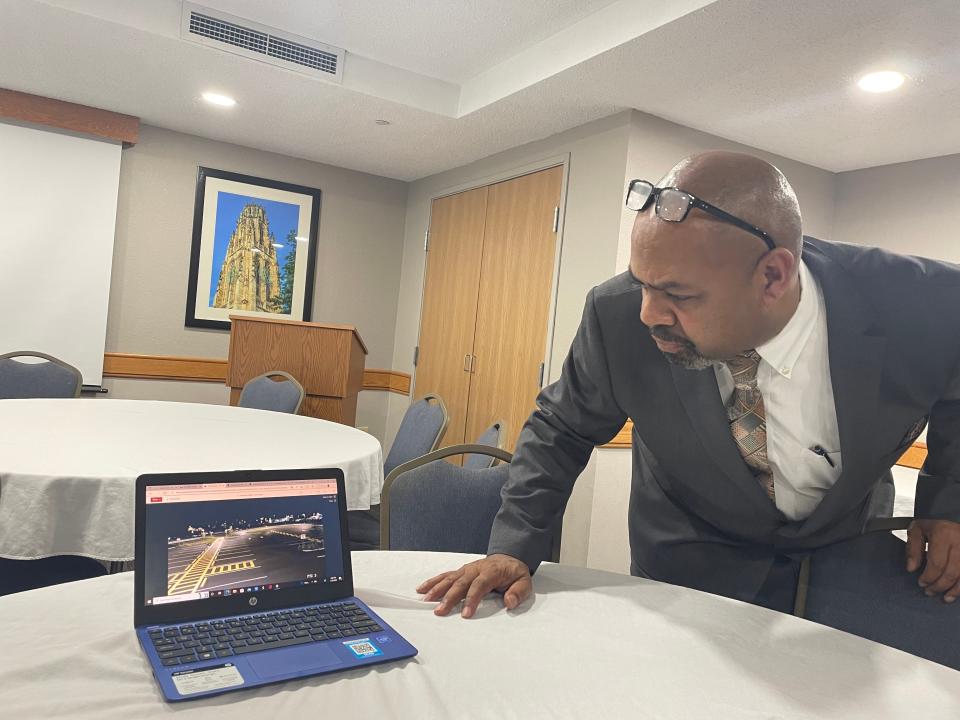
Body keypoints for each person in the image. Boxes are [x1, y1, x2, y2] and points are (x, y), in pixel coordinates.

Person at [417, 150, 960, 668]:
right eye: (642, 284)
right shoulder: (617, 315)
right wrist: (514, 546)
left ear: (773, 276)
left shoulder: (922, 302)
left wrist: (948, 498)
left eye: (679, 295)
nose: (650, 314)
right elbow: (561, 426)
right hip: (688, 550)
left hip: (843, 546)